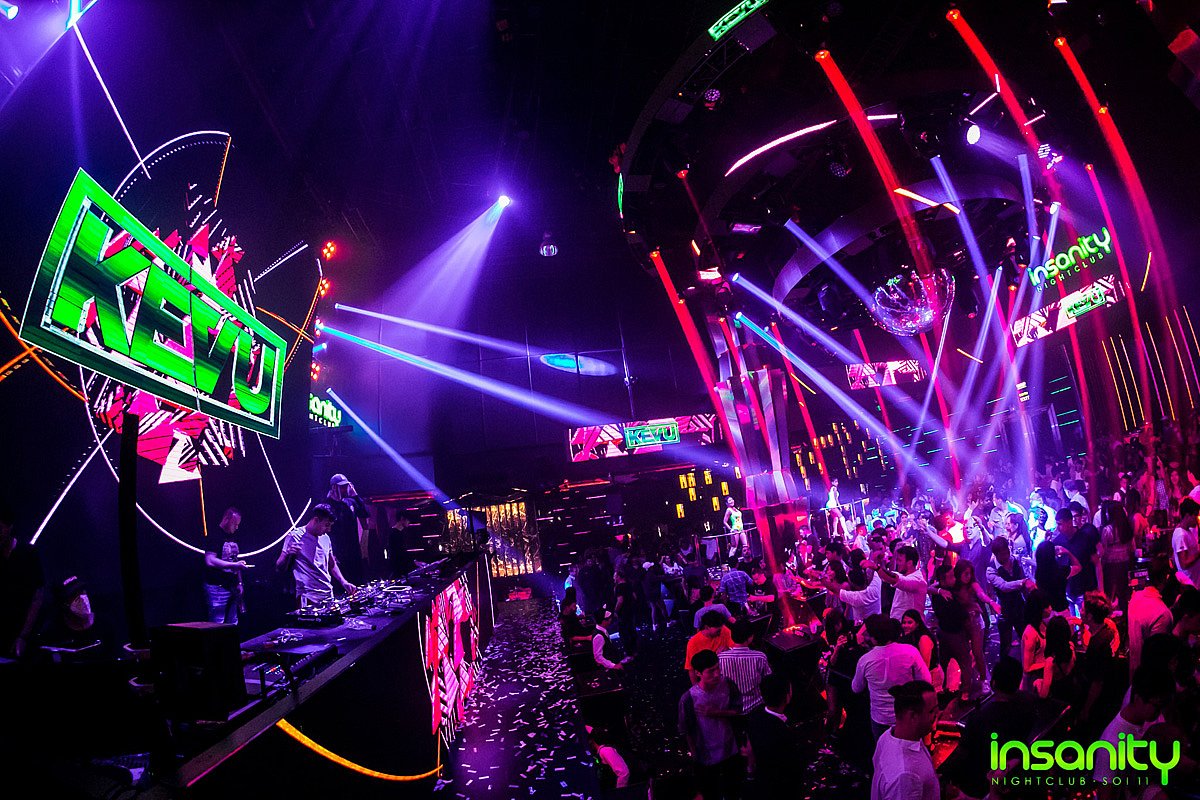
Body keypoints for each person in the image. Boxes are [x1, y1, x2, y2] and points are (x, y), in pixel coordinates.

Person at [944, 657, 1036, 799]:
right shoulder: (1028, 705)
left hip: (983, 782)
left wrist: (947, 777)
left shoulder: (978, 718)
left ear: (993, 683)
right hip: (1016, 775)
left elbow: (965, 752)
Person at [1093, 666, 1176, 800]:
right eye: (1157, 706)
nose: (1160, 712)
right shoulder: (1110, 744)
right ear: (1138, 698)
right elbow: (1105, 795)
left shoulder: (1151, 717)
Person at [851, 614, 931, 740]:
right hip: (907, 714)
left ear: (873, 638)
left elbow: (856, 688)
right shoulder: (910, 652)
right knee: (909, 748)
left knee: (883, 750)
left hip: (880, 718)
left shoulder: (865, 660)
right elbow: (926, 681)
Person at [678, 649, 743, 800]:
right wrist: (695, 756)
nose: (717, 674)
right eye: (711, 671)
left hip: (731, 749)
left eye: (717, 668)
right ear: (698, 673)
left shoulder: (728, 684)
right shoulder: (688, 699)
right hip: (706, 756)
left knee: (733, 790)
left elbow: (738, 710)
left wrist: (715, 712)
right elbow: (686, 731)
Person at [869, 680, 940, 800]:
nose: (936, 715)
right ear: (912, 716)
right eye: (932, 711)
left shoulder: (887, 736)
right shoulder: (905, 777)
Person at [276, 504, 356, 607]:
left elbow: (331, 564)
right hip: (308, 596)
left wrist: (344, 582)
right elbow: (279, 566)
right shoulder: (294, 536)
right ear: (316, 520)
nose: (329, 529)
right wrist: (288, 554)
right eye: (327, 525)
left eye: (330, 526)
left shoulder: (326, 538)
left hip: (328, 594)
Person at [0, 506, 45, 658]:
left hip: (25, 634)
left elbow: (38, 596)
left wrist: (23, 636)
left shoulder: (28, 553)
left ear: (9, 526)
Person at [202, 507, 253, 625]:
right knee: (217, 622)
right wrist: (234, 565)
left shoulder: (233, 537)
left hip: (232, 586)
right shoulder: (214, 535)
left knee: (233, 622)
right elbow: (210, 560)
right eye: (235, 524)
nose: (236, 527)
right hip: (217, 586)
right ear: (227, 519)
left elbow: (235, 559)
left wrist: (240, 582)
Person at [987, 537, 1034, 659]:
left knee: (1027, 638)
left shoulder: (1015, 560)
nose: (1006, 556)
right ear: (996, 554)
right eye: (1003, 554)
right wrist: (1023, 582)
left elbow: (1024, 576)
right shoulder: (991, 570)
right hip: (1005, 610)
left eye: (1007, 551)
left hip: (1019, 606)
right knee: (1006, 645)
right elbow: (1004, 586)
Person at [747, 673, 791, 798]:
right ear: (787, 696)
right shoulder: (784, 731)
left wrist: (750, 770)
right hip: (780, 785)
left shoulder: (755, 716)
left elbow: (749, 748)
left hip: (761, 779)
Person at [1128, 555, 1174, 673]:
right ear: (1167, 577)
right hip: (1151, 679)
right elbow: (1157, 657)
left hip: (1134, 674)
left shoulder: (1135, 598)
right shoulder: (1163, 614)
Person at [1053, 502, 1102, 610]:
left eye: (1060, 524)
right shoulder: (1057, 541)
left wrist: (1100, 589)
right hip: (1068, 591)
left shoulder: (1085, 538)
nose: (1058, 528)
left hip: (1086, 590)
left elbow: (1097, 563)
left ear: (1069, 522)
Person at [718, 619, 771, 713]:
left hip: (731, 709)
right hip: (756, 706)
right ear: (750, 637)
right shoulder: (760, 657)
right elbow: (768, 680)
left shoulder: (720, 658)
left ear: (732, 636)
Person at [325, 473, 370, 584]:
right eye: (342, 487)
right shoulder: (327, 505)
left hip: (354, 548)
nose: (345, 489)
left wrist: (355, 495)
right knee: (342, 580)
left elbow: (365, 513)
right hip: (338, 550)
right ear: (334, 487)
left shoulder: (350, 502)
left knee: (357, 580)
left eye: (346, 486)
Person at [1098, 502, 1135, 608]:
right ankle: (1124, 613)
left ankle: (1110, 614)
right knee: (1123, 593)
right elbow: (1132, 548)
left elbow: (1103, 551)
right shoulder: (1127, 528)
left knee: (1110, 594)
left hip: (1110, 565)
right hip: (1125, 563)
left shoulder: (1107, 530)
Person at [1034, 615, 1077, 703]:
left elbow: (1043, 695)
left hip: (1058, 701)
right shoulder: (1071, 646)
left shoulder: (1051, 661)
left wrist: (1038, 684)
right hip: (1071, 695)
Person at [899, 609, 944, 692]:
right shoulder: (909, 636)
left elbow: (925, 665)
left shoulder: (924, 638)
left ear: (917, 624)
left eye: (909, 622)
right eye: (904, 622)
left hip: (930, 678)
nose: (906, 625)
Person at [1034, 537, 1080, 614]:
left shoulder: (1038, 573)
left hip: (1046, 612)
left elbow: (1043, 554)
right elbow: (1078, 567)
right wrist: (1068, 552)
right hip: (1061, 610)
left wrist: (1046, 541)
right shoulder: (1061, 572)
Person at [686, 611, 734, 682]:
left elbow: (735, 648)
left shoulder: (723, 630)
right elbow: (691, 669)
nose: (720, 633)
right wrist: (696, 686)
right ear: (707, 627)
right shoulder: (693, 642)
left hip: (726, 675)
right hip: (707, 678)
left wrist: (728, 649)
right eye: (718, 631)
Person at [1171, 497, 1200, 587]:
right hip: (1190, 585)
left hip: (1195, 583)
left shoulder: (1188, 531)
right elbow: (1184, 563)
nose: (1197, 519)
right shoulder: (1181, 535)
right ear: (1187, 516)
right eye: (1195, 515)